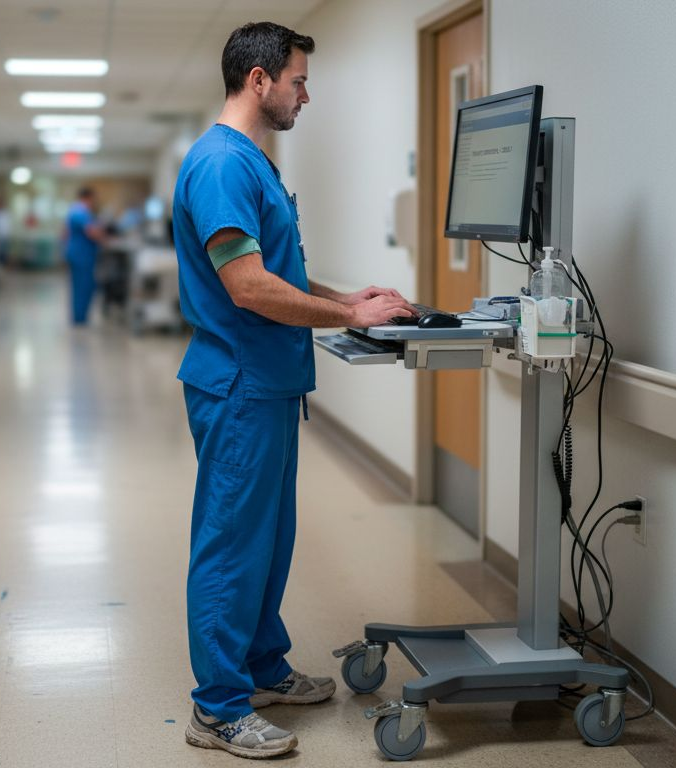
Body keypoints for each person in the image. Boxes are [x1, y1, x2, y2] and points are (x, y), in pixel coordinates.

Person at [172, 21, 417, 759]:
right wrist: (346, 316)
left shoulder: (249, 161)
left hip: (267, 383)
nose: (304, 96)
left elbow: (271, 270)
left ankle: (260, 670)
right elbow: (247, 289)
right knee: (230, 545)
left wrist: (348, 294)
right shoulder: (220, 165)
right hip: (240, 383)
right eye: (298, 82)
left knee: (268, 541)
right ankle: (217, 709)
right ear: (259, 80)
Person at [64, 186, 107, 324]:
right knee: (83, 287)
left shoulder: (76, 211)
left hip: (79, 254)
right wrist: (104, 238)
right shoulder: (80, 212)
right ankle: (80, 318)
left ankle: (79, 316)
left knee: (81, 286)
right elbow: (92, 232)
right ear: (88, 198)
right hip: (81, 256)